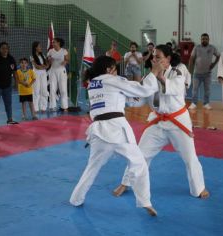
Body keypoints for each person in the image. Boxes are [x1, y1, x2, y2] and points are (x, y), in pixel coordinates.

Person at [70, 55, 164, 216]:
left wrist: (134, 94)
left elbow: (127, 98)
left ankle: (76, 199)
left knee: (92, 168)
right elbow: (144, 89)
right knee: (139, 164)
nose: (115, 71)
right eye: (114, 68)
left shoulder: (93, 83)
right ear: (108, 69)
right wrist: (154, 72)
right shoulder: (111, 79)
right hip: (117, 130)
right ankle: (145, 202)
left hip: (98, 132)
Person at [114, 45, 209, 200]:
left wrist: (159, 76)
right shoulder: (148, 77)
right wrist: (125, 96)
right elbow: (140, 98)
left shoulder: (177, 73)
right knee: (140, 154)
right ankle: (126, 183)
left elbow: (176, 89)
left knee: (190, 157)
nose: (154, 59)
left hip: (178, 122)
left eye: (158, 57)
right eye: (153, 56)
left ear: (168, 59)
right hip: (157, 121)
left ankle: (199, 188)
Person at [0, 42, 19, 128]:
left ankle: (10, 120)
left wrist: (16, 83)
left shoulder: (11, 59)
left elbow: (15, 72)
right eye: (3, 48)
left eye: (6, 48)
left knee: (8, 104)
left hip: (7, 86)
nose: (5, 50)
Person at [189, 33, 220, 110]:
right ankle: (193, 103)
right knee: (195, 89)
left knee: (207, 90)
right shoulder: (196, 47)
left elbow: (218, 55)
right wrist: (190, 71)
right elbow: (191, 58)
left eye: (206, 39)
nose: (204, 40)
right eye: (203, 39)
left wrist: (214, 64)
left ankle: (206, 104)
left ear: (208, 40)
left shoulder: (212, 48)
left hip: (207, 74)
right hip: (197, 73)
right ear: (201, 39)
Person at [47, 38, 69, 111]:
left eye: (54, 42)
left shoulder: (64, 51)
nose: (53, 44)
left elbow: (67, 59)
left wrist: (65, 62)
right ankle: (52, 106)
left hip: (61, 70)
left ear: (59, 43)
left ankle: (64, 106)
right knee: (52, 89)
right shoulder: (50, 51)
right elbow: (48, 62)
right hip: (53, 71)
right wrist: (50, 60)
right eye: (52, 42)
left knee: (63, 89)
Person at [31, 41, 49, 113]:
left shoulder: (43, 56)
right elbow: (36, 67)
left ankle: (43, 107)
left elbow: (47, 65)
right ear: (35, 48)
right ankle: (35, 108)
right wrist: (43, 67)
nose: (40, 48)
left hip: (43, 74)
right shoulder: (32, 56)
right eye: (39, 46)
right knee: (36, 90)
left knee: (44, 90)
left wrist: (44, 66)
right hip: (36, 74)